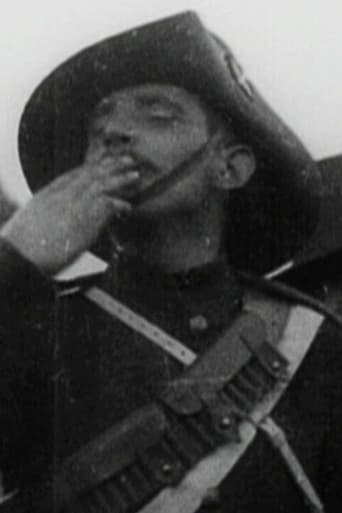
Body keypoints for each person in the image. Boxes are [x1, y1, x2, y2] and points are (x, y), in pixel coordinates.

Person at [0, 11, 341, 513]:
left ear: (229, 166)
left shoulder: (315, 347)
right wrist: (16, 261)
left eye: (157, 114)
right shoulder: (37, 325)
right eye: (100, 124)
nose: (114, 130)